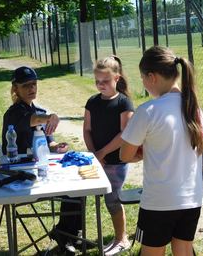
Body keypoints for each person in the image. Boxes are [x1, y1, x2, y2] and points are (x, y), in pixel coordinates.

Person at [120, 46, 203, 256]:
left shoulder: (148, 111)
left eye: (142, 79)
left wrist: (142, 153)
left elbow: (125, 155)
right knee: (184, 251)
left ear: (152, 77)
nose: (144, 84)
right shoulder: (195, 109)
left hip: (159, 200)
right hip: (191, 199)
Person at [1, 66, 80, 255]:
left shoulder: (37, 110)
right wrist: (50, 117)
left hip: (39, 169)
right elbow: (33, 119)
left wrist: (56, 147)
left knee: (78, 188)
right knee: (75, 191)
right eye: (26, 85)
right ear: (15, 89)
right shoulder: (14, 113)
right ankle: (65, 235)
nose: (32, 89)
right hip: (21, 176)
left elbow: (48, 143)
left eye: (34, 84)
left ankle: (67, 234)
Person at [83, 56, 134, 256]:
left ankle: (122, 239)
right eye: (97, 81)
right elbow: (87, 129)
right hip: (97, 160)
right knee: (103, 198)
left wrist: (103, 152)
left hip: (116, 161)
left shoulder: (124, 102)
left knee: (113, 199)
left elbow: (125, 133)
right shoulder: (92, 102)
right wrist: (95, 153)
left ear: (117, 78)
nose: (100, 85)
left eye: (105, 81)